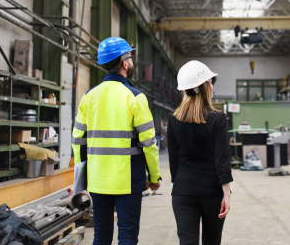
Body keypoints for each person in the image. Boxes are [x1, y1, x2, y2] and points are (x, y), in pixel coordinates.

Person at [72, 37, 160, 245]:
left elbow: (78, 140)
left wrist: (82, 177)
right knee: (127, 235)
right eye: (130, 57)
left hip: (97, 179)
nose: (131, 61)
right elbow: (149, 143)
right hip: (128, 180)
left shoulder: (88, 97)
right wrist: (154, 176)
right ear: (124, 63)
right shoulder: (135, 97)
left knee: (101, 235)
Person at [168, 61, 233, 245]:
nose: (212, 87)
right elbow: (222, 159)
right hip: (212, 192)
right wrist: (226, 194)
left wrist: (181, 184)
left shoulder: (173, 119)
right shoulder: (218, 119)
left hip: (183, 192)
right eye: (211, 82)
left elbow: (174, 161)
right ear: (205, 87)